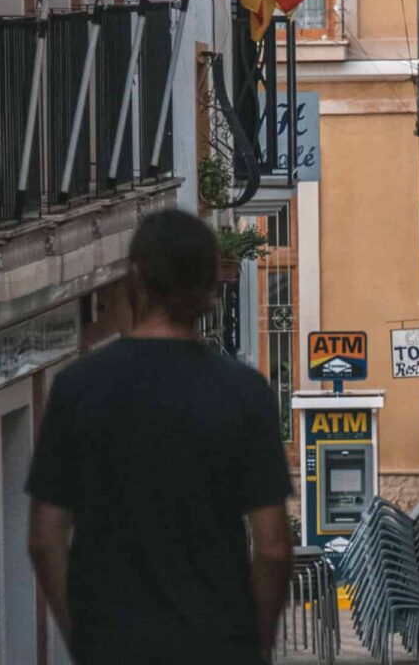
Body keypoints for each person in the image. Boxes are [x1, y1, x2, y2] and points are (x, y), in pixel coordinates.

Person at [27, 209, 293, 664]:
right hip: (217, 646)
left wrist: (84, 637)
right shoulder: (244, 394)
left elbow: (44, 536)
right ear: (211, 288)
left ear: (136, 278)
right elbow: (271, 546)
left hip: (115, 645)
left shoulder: (79, 387)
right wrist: (256, 646)